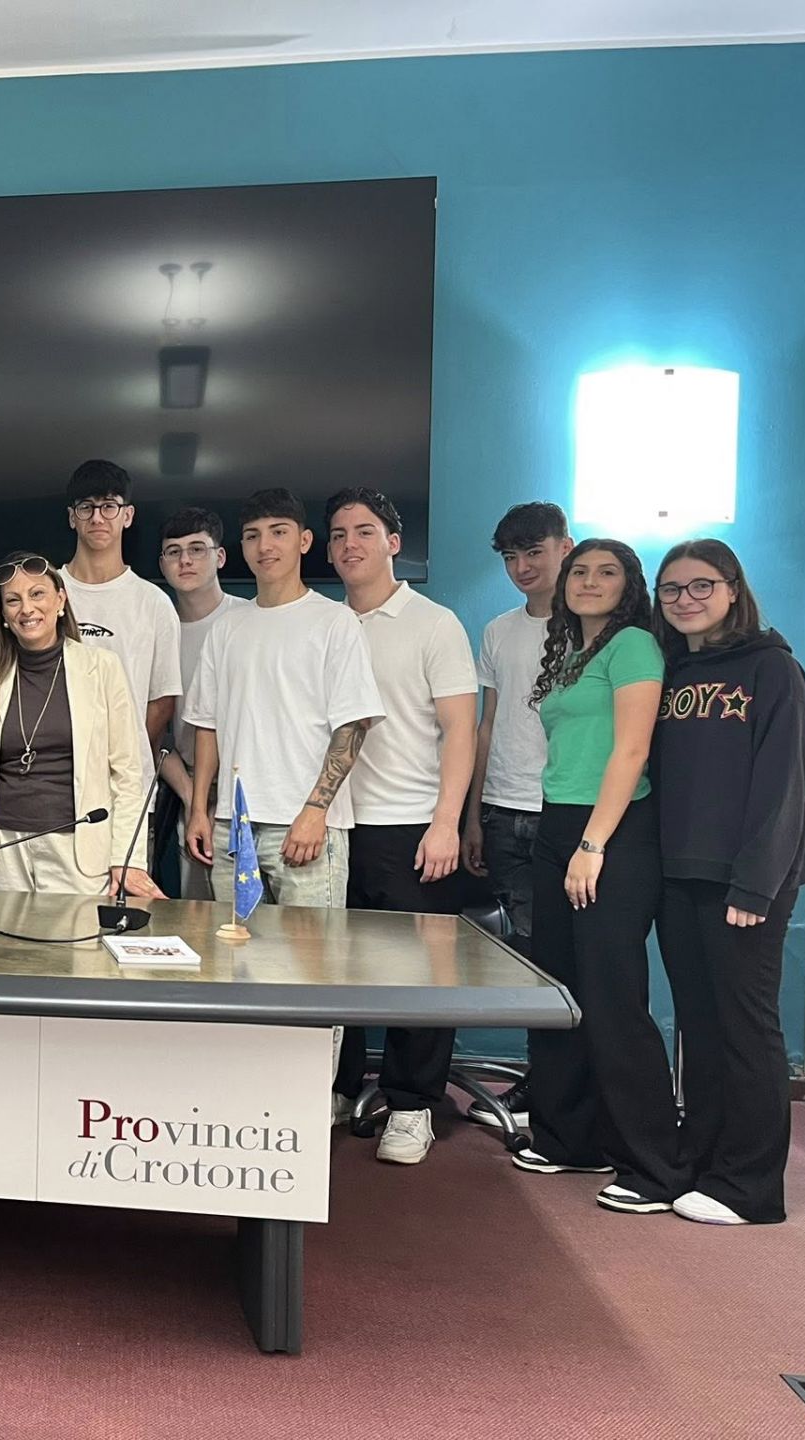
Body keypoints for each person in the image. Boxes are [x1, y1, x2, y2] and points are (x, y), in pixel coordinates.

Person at [511, 540, 688, 1215]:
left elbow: (632, 749)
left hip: (613, 833)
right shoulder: (570, 653)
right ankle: (570, 1139)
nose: (588, 581)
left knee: (612, 998)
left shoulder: (634, 646)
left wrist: (593, 844)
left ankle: (653, 1168)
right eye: (579, 571)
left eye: (606, 572)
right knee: (559, 991)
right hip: (559, 825)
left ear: (628, 586)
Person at [652, 539, 805, 1225]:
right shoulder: (671, 671)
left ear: (732, 590)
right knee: (699, 1025)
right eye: (671, 588)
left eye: (701, 585)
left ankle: (751, 1188)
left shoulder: (773, 669)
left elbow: (784, 785)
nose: (685, 599)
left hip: (747, 883)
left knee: (746, 1029)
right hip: (679, 875)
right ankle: (703, 1159)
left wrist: (754, 885)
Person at [325, 489, 478, 1165]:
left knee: (421, 973)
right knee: (334, 970)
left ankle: (413, 1105)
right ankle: (338, 1089)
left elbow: (461, 730)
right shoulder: (323, 622)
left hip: (412, 824)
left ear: (393, 542)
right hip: (333, 826)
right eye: (338, 534)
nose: (349, 544)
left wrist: (447, 823)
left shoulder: (433, 623)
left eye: (364, 531)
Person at [184, 488, 383, 917]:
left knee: (310, 955)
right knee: (236, 951)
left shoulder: (335, 622)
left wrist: (315, 811)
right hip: (232, 827)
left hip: (304, 825)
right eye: (253, 535)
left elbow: (353, 725)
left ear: (304, 541)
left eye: (279, 532)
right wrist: (200, 810)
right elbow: (207, 726)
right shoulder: (226, 628)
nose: (265, 546)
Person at [460, 502, 573, 1130]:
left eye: (534, 552)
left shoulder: (596, 630)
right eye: (511, 556)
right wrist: (473, 816)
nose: (523, 566)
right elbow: (487, 725)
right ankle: (540, 1082)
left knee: (568, 956)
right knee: (527, 957)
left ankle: (569, 1090)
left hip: (566, 814)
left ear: (565, 547)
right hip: (503, 809)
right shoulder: (498, 631)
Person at [0, 554, 161, 896]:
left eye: (37, 594)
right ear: (2, 615)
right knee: (6, 933)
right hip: (3, 846)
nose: (27, 609)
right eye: (13, 600)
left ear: (60, 600)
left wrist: (128, 858)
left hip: (80, 846)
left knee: (80, 933)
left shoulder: (102, 667)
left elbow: (127, 773)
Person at [55, 460, 182, 799]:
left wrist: (123, 752)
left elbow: (162, 702)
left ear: (127, 515)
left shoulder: (154, 603)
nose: (97, 518)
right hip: (53, 784)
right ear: (72, 517)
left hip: (126, 788)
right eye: (86, 507)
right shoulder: (44, 594)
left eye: (109, 506)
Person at [156, 506, 239, 899]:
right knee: (200, 914)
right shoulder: (159, 631)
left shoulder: (248, 619)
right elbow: (152, 732)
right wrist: (194, 799)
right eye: (174, 552)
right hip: (189, 788)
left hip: (250, 791)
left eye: (196, 549)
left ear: (219, 556)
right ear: (162, 564)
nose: (185, 560)